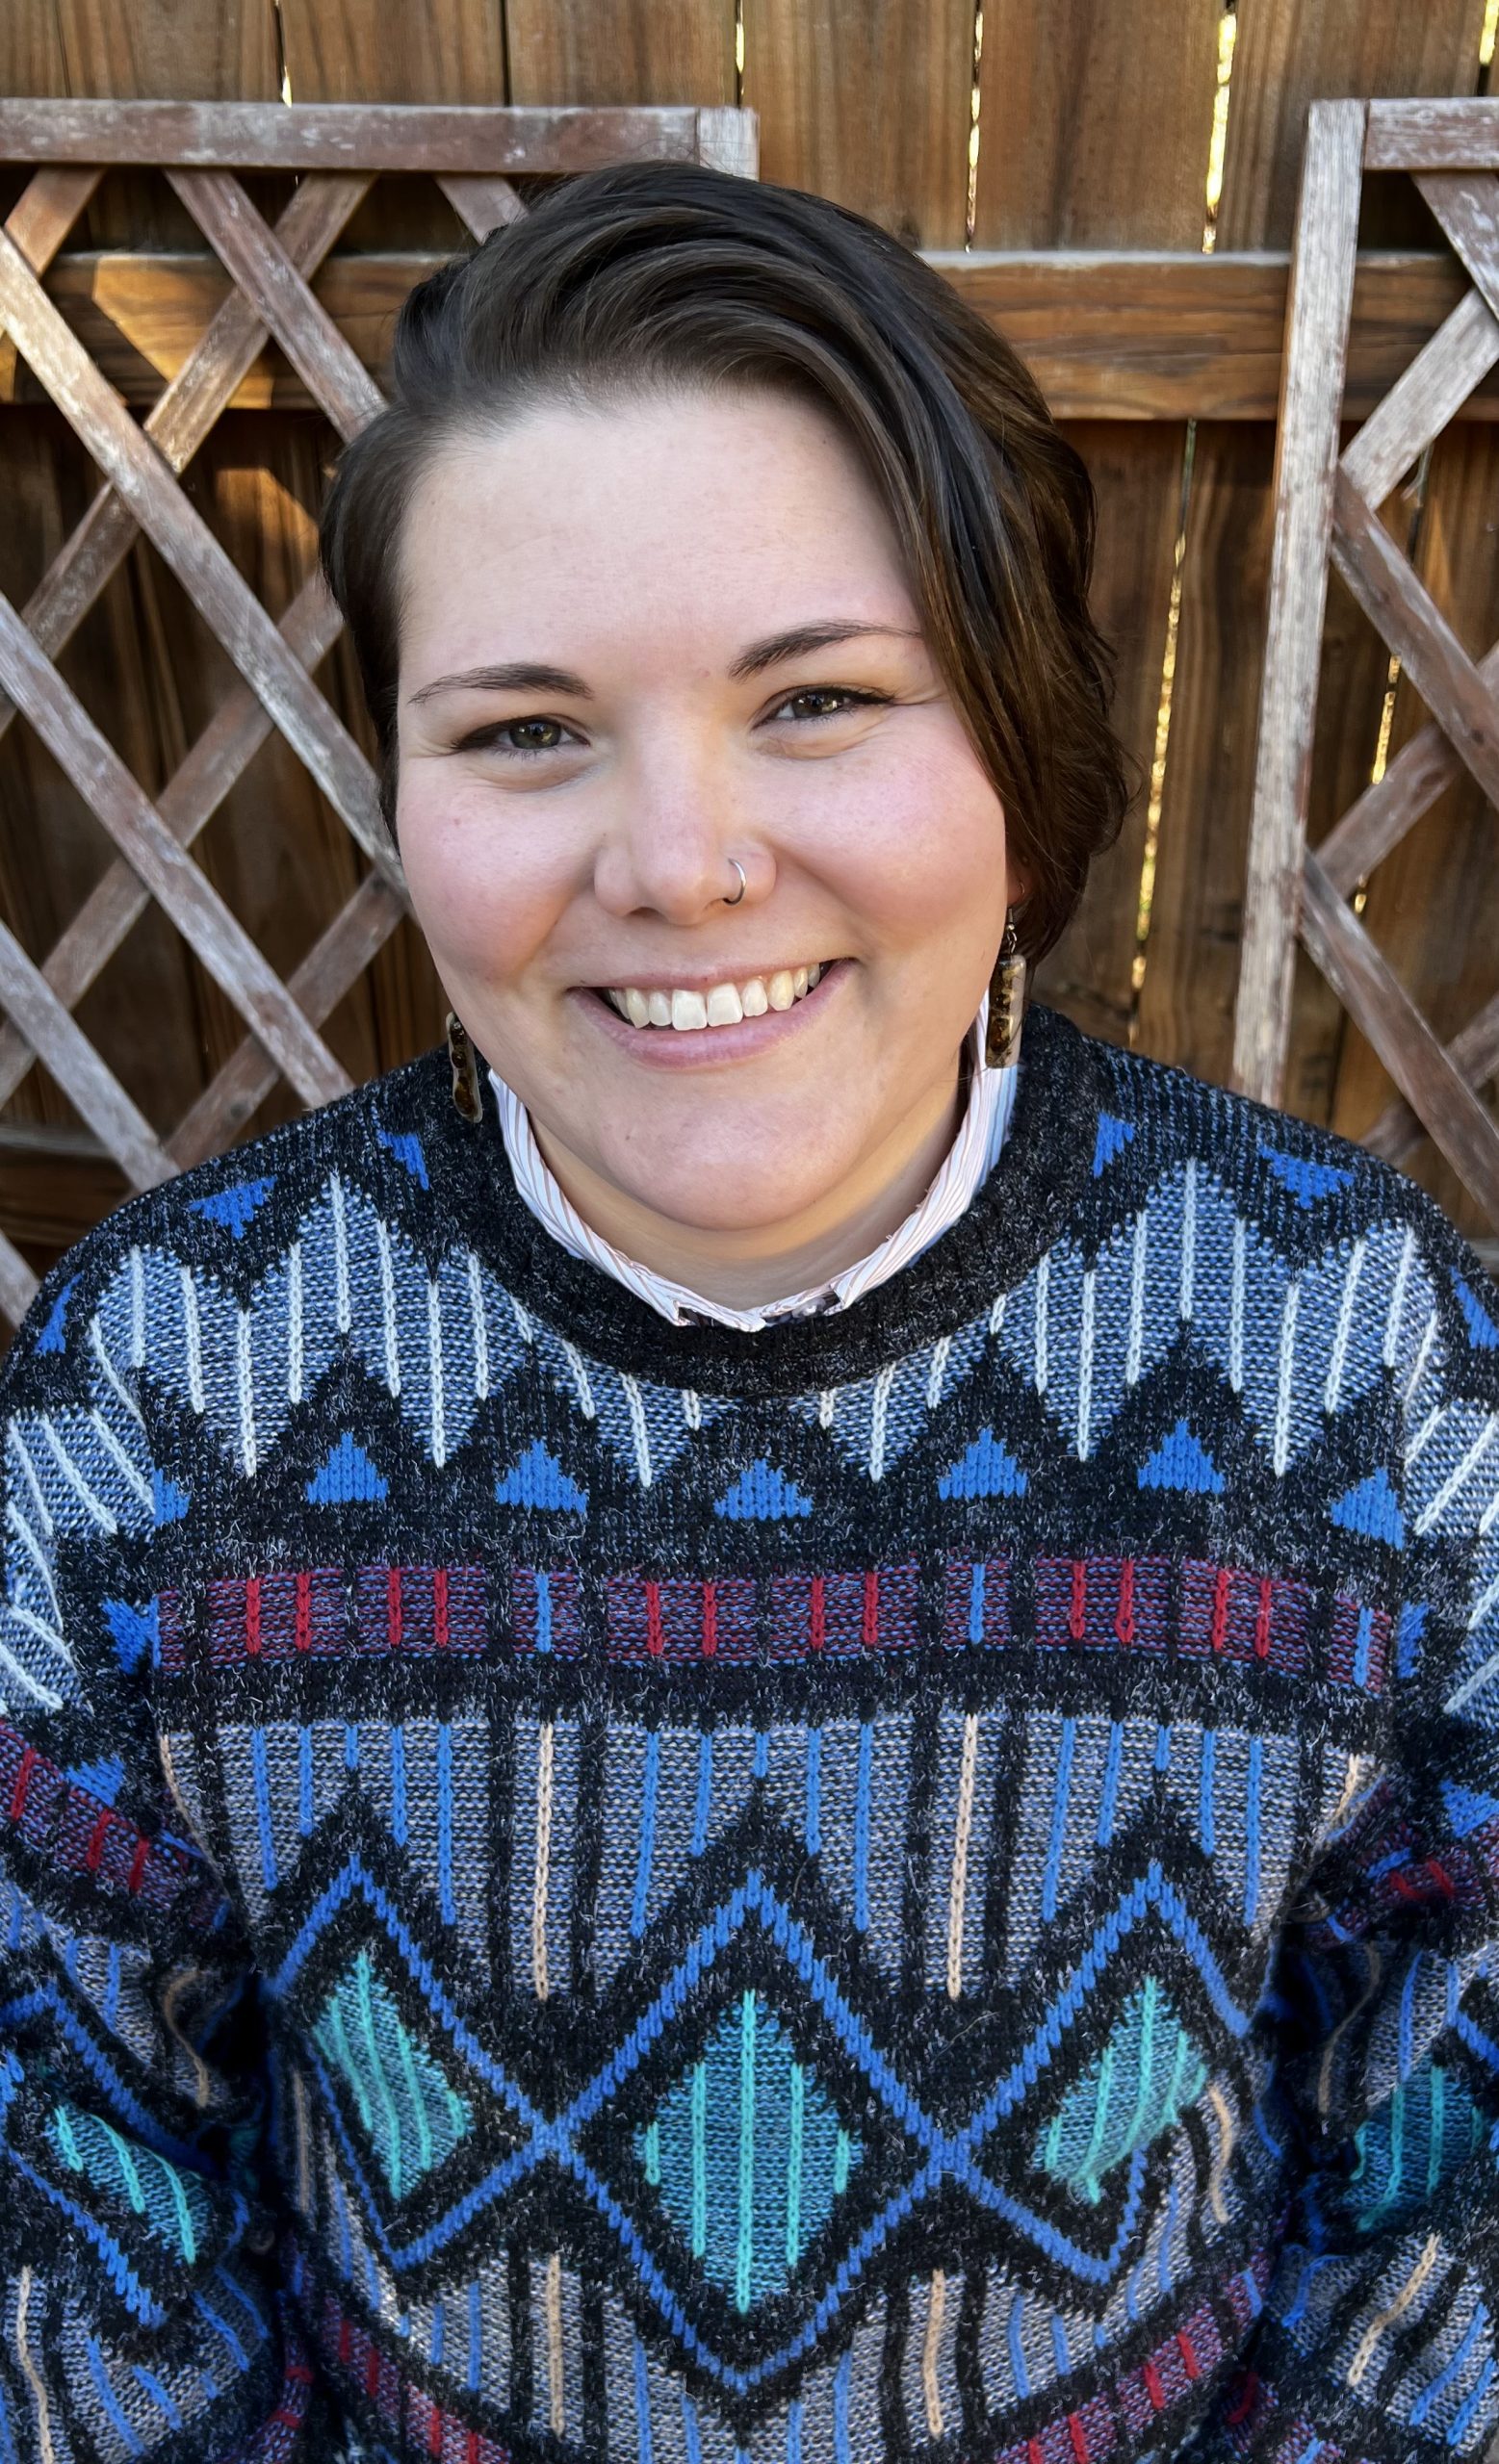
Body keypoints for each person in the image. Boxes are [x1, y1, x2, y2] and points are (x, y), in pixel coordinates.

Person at [1, 157, 1497, 2464]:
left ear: (1020, 750)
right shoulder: (166, 1388)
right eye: (522, 731)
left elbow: (1455, 2159)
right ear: (400, 789)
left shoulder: (1342, 1351)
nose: (676, 859)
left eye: (814, 698)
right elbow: (62, 2181)